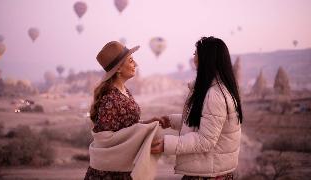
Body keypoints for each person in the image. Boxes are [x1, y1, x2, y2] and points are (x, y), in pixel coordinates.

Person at [151, 36, 243, 180]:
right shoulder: (211, 89)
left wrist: (167, 144)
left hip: (207, 175)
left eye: (196, 53)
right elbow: (203, 122)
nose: (193, 58)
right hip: (208, 171)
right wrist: (171, 120)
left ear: (206, 58)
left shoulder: (215, 95)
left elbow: (205, 140)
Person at [84, 41, 159, 180]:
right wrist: (142, 129)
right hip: (110, 174)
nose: (136, 64)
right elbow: (105, 139)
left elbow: (124, 126)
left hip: (125, 169)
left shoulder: (125, 91)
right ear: (118, 69)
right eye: (131, 61)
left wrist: (146, 123)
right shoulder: (110, 99)